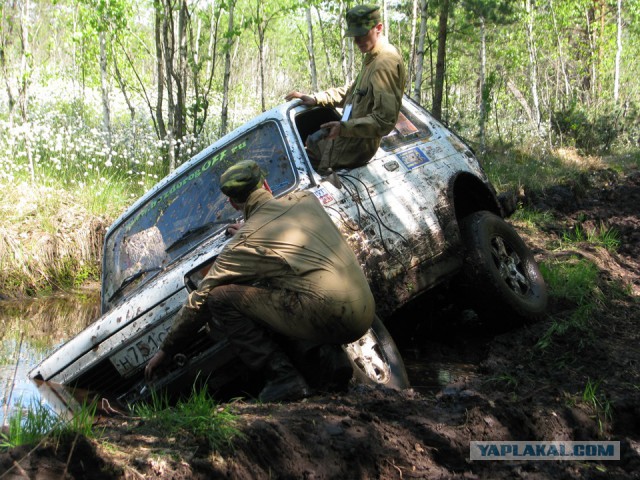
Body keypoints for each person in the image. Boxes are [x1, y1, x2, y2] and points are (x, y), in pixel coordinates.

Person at [144, 160, 376, 402]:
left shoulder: (245, 241)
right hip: (365, 311)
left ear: (233, 203)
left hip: (329, 316)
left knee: (220, 298)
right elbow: (285, 235)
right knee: (287, 276)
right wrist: (251, 229)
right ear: (265, 184)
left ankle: (283, 377)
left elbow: (200, 298)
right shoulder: (306, 200)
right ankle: (329, 357)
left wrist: (166, 349)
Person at [285, 4, 406, 173]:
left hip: (356, 148)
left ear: (378, 28)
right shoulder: (373, 57)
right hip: (350, 137)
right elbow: (354, 92)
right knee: (311, 141)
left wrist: (343, 128)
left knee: (300, 166)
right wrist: (316, 98)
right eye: (354, 35)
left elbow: (384, 122)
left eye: (361, 34)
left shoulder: (384, 63)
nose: (356, 41)